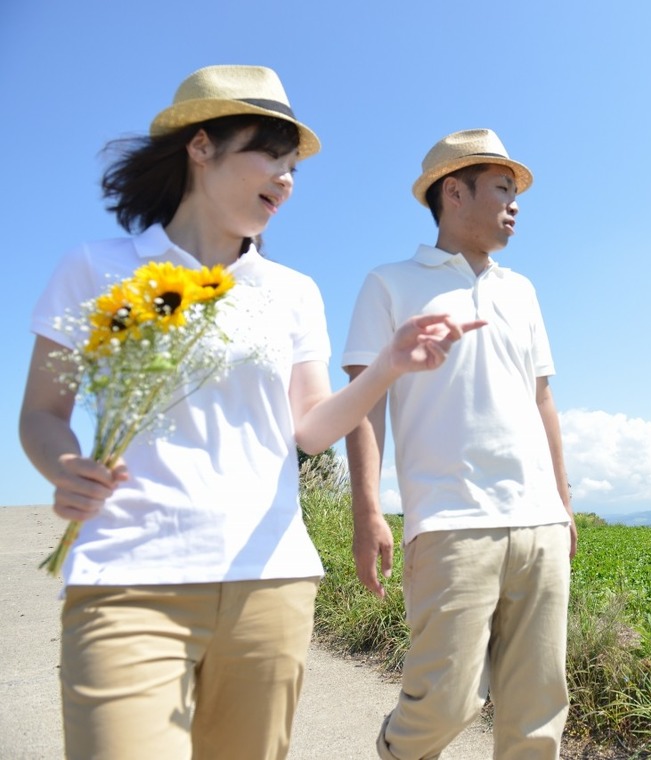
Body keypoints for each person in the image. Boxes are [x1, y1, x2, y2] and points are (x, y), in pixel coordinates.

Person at [19, 65, 480, 760]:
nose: (287, 178)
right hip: (127, 577)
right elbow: (41, 413)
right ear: (201, 147)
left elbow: (311, 428)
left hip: (271, 582)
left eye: (294, 166)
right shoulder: (97, 268)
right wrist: (64, 465)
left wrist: (388, 365)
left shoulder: (292, 292)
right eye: (269, 154)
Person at [342, 128, 576, 760]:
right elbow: (362, 403)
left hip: (539, 524)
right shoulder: (390, 283)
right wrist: (367, 512)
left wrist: (564, 504)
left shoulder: (521, 290)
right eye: (502, 187)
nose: (516, 203)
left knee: (538, 712)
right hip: (450, 521)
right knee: (445, 701)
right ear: (454, 191)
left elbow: (542, 399)